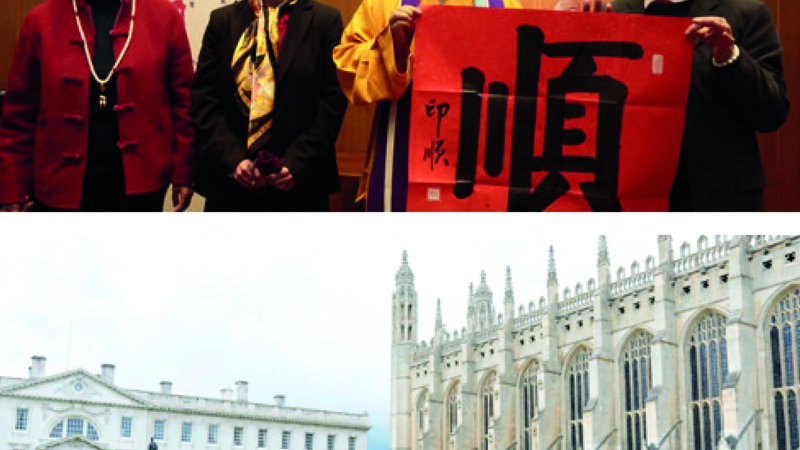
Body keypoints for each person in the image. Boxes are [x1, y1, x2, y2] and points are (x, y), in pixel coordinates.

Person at [583, 0, 789, 211]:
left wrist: (731, 59)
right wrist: (584, 50)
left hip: (720, 197)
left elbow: (772, 113)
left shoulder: (746, 12)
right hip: (634, 194)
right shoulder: (614, 13)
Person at [0, 0, 195, 212]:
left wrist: (184, 173)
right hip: (58, 186)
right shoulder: (40, 20)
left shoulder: (165, 17)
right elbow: (18, 117)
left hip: (143, 187)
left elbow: (184, 105)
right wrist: (12, 189)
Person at [333, 0, 521, 212]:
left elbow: (525, 80)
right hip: (404, 152)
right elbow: (347, 67)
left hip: (481, 151)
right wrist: (393, 47)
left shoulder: (502, 4)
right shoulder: (384, 4)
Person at [190, 0, 348, 212]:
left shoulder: (325, 20)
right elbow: (204, 99)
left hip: (301, 185)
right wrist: (233, 160)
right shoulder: (222, 20)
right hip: (230, 187)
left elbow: (333, 101)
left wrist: (296, 163)